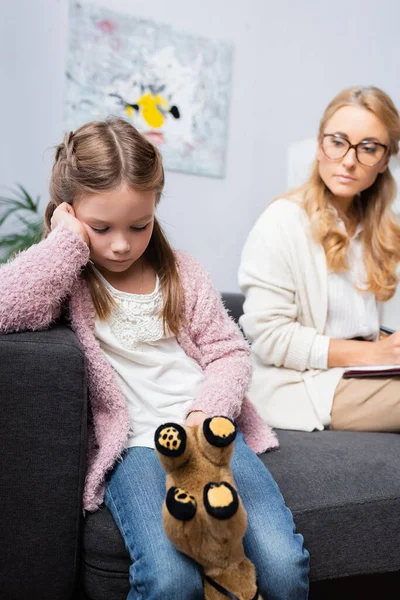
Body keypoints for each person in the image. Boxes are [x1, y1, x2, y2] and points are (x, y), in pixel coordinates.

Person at [0, 118, 309, 599]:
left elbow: (229, 352)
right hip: (135, 447)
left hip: (207, 436)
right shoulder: (70, 278)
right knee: (169, 580)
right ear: (69, 211)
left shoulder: (183, 273)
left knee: (284, 567)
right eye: (100, 227)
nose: (121, 243)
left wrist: (206, 416)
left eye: (138, 225)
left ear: (155, 210)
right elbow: (7, 308)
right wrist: (65, 241)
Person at [238, 85, 400, 434]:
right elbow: (270, 339)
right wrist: (375, 354)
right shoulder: (281, 221)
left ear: (385, 160)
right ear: (319, 146)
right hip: (302, 386)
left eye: (368, 148)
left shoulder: (380, 232)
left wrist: (385, 348)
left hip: (361, 373)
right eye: (338, 142)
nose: (349, 160)